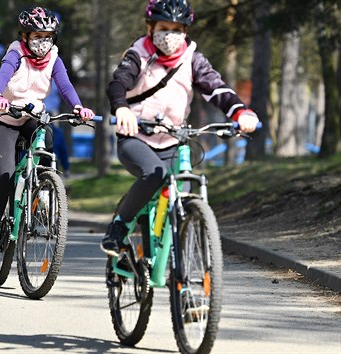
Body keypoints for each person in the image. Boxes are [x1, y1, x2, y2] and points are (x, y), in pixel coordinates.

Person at [100, 0, 260, 256]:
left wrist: (240, 111)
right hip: (136, 137)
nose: (170, 35)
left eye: (177, 29)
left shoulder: (192, 59)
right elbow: (118, 83)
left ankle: (173, 257)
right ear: (150, 27)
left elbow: (216, 89)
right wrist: (122, 109)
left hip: (174, 140)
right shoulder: (138, 54)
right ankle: (119, 227)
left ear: (186, 31)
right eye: (164, 27)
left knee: (181, 188)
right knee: (154, 174)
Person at [0, 6, 95, 273]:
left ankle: (44, 195)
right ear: (26, 36)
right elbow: (3, 74)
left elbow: (64, 84)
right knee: (5, 175)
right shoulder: (15, 52)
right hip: (5, 120)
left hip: (32, 118)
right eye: (37, 36)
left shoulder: (54, 57)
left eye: (48, 36)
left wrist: (78, 107)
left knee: (48, 144)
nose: (43, 42)